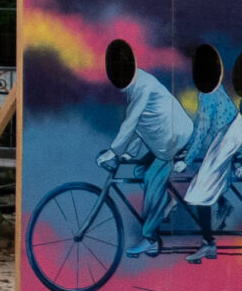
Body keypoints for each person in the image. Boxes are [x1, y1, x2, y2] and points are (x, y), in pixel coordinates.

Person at [97, 37, 193, 259]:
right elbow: (146, 122)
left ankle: (151, 240)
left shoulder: (143, 86)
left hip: (173, 139)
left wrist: (114, 151)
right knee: (139, 170)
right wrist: (130, 151)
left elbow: (132, 120)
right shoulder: (137, 84)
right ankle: (167, 201)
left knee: (151, 178)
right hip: (165, 136)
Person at [180, 44, 241, 264]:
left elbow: (201, 131)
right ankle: (221, 210)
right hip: (230, 140)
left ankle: (208, 244)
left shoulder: (208, 96)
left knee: (198, 192)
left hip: (228, 140)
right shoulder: (219, 92)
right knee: (204, 183)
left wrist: (186, 158)